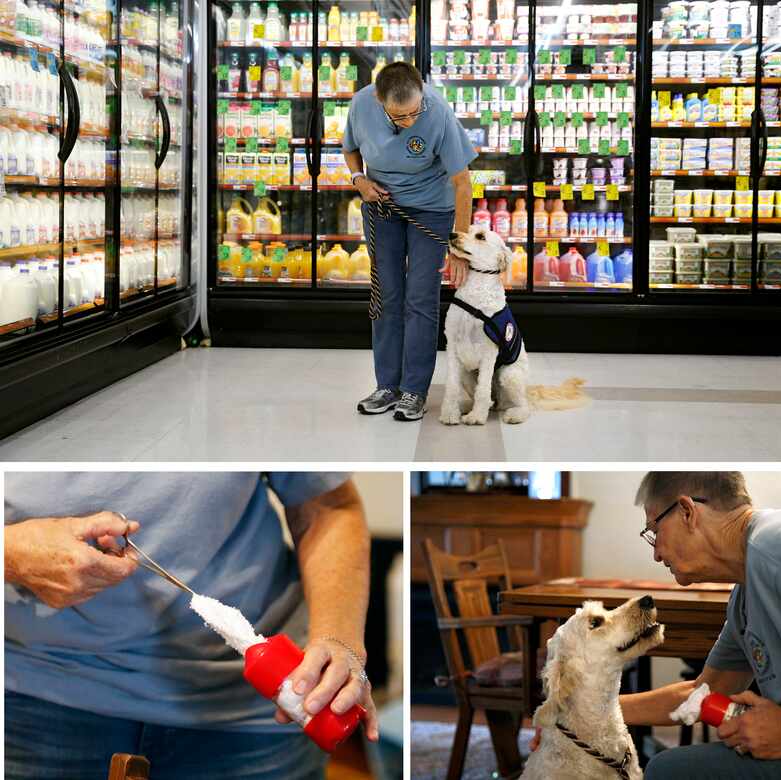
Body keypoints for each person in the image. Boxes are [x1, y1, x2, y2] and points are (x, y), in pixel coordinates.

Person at [5, 472, 378, 780]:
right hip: (35, 700)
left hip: (249, 715)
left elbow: (328, 507)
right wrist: (12, 553)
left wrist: (339, 639)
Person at [627, 472, 781, 778]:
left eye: (654, 530)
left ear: (687, 511)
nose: (656, 554)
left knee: (670, 772)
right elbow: (701, 692)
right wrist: (582, 711)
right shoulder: (745, 593)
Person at [343, 61, 476, 422]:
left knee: (420, 296)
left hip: (431, 211)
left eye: (415, 112)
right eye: (399, 117)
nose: (410, 122)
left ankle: (414, 391)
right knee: (386, 293)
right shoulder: (360, 105)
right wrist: (359, 180)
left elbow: (463, 182)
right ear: (377, 100)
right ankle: (387, 385)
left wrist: (458, 247)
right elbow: (351, 149)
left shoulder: (439, 112)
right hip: (382, 207)